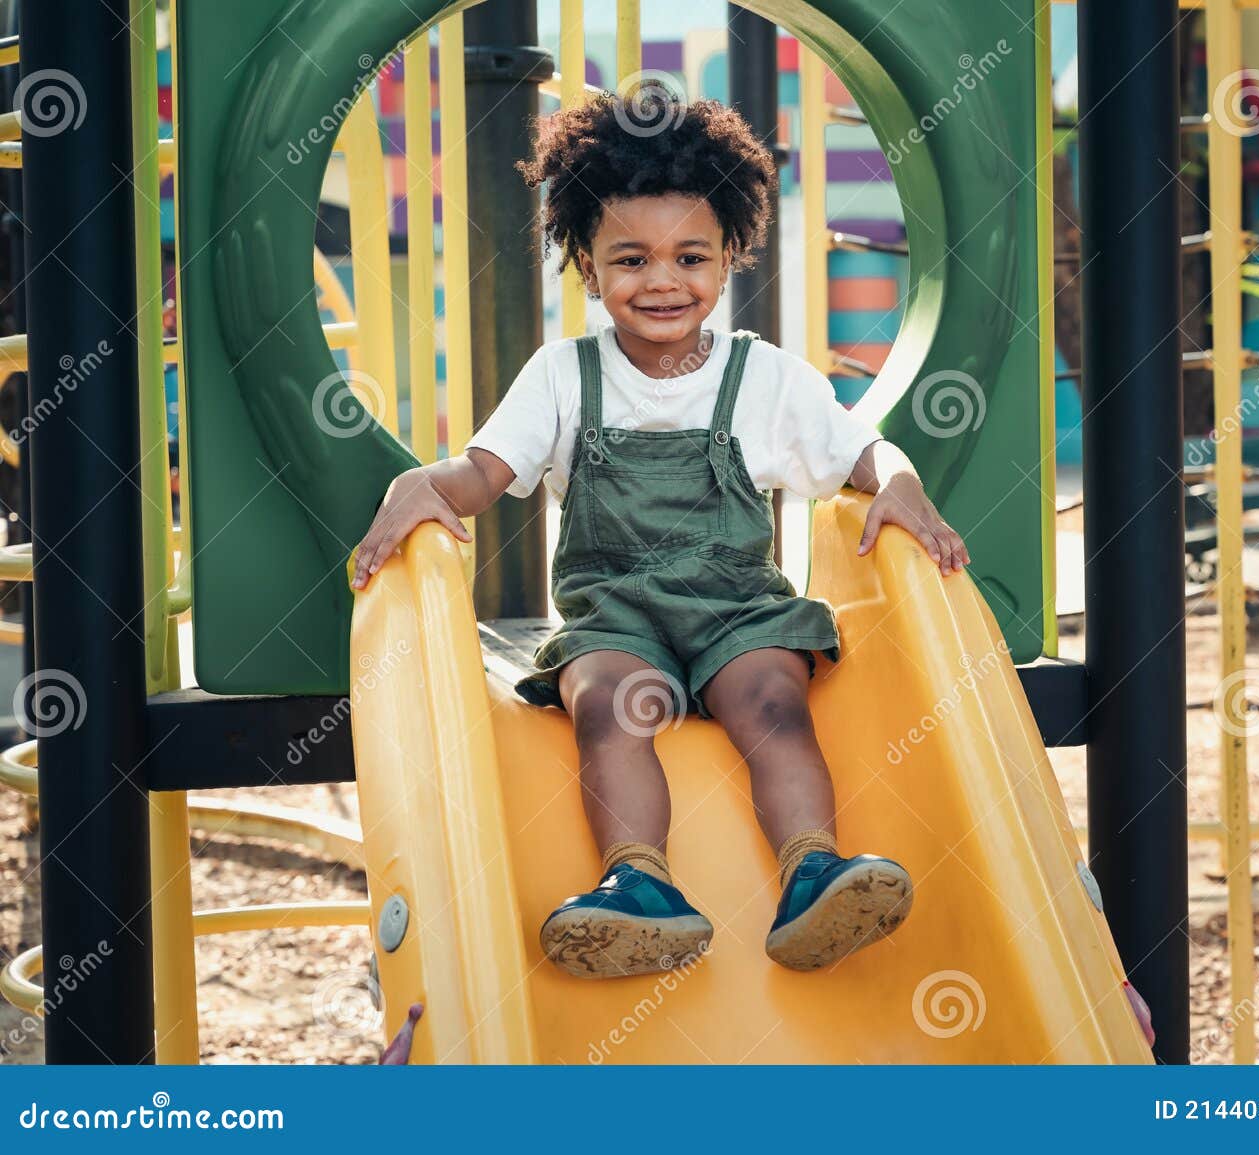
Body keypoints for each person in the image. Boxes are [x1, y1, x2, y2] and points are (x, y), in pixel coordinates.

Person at [350, 89, 970, 979]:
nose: (663, 281)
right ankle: (638, 885)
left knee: (771, 701)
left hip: (736, 615)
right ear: (589, 268)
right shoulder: (564, 376)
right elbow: (482, 474)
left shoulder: (765, 377)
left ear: (728, 259)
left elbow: (861, 452)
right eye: (631, 259)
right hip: (619, 617)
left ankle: (814, 871)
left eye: (691, 256)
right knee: (605, 704)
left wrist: (904, 486)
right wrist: (422, 482)